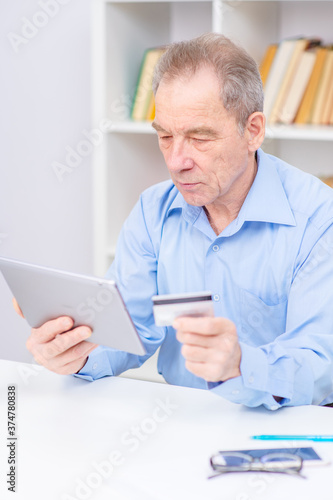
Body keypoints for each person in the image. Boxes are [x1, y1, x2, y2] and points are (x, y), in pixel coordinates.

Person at [15, 33, 333, 410]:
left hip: (287, 430)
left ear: (253, 130)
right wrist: (77, 353)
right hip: (181, 422)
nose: (176, 161)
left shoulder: (318, 219)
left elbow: (320, 366)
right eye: (165, 136)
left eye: (199, 137)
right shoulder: (154, 211)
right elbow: (129, 331)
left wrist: (241, 365)